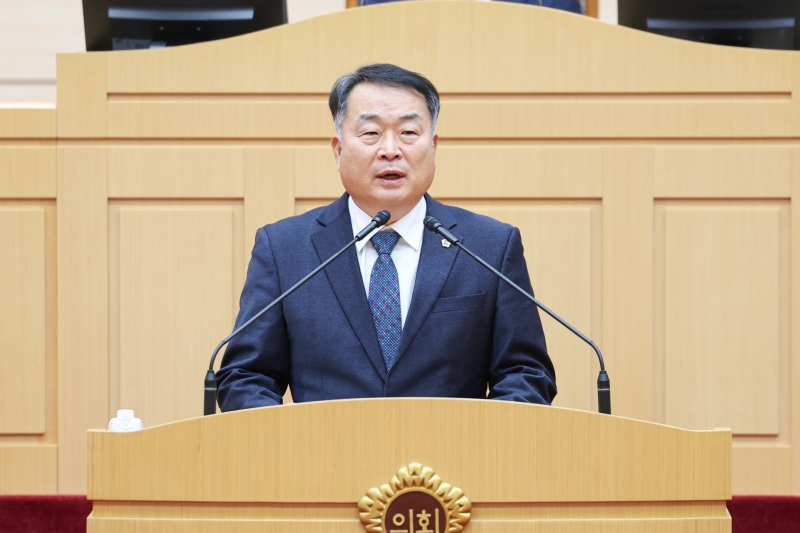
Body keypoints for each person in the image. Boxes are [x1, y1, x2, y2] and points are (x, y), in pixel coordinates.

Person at [216, 64, 556, 410]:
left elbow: (525, 374)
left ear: (433, 146)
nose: (390, 150)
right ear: (338, 149)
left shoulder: (490, 246)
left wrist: (479, 440)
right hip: (324, 446)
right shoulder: (285, 249)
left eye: (408, 132)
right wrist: (290, 441)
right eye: (371, 133)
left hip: (451, 446)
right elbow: (246, 376)